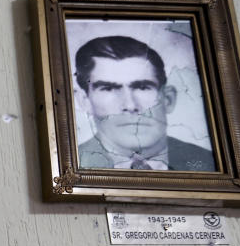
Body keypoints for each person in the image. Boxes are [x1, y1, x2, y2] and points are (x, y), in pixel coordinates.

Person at [73, 35, 215, 171]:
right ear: (84, 101)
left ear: (168, 99)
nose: (130, 105)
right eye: (108, 89)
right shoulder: (70, 167)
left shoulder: (211, 163)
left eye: (142, 87)